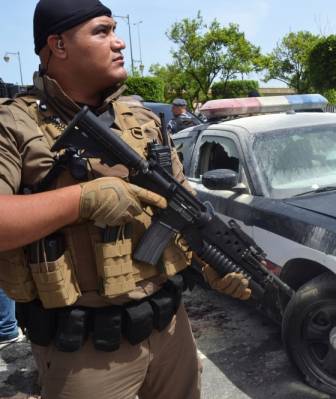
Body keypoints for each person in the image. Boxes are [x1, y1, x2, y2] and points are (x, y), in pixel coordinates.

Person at [0, 1, 250, 398]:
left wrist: (213, 263)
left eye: (116, 30)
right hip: (83, 348)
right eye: (102, 31)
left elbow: (181, 206)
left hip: (169, 327)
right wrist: (82, 199)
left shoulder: (143, 119)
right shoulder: (14, 124)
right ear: (58, 45)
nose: (119, 43)